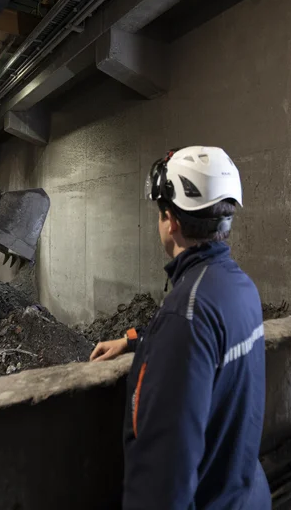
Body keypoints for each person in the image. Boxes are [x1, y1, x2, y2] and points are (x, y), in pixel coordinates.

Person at [89, 146, 271, 510]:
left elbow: (164, 474)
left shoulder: (187, 313)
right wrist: (136, 341)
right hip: (246, 494)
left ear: (170, 221)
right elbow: (206, 346)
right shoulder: (237, 286)